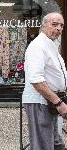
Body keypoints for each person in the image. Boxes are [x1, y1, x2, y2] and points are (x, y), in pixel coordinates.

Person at [22, 12, 67, 150]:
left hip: (50, 101)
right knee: (43, 145)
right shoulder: (38, 46)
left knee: (55, 143)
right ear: (43, 26)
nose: (58, 28)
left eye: (61, 25)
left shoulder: (51, 45)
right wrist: (58, 103)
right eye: (54, 24)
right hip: (40, 102)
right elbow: (36, 80)